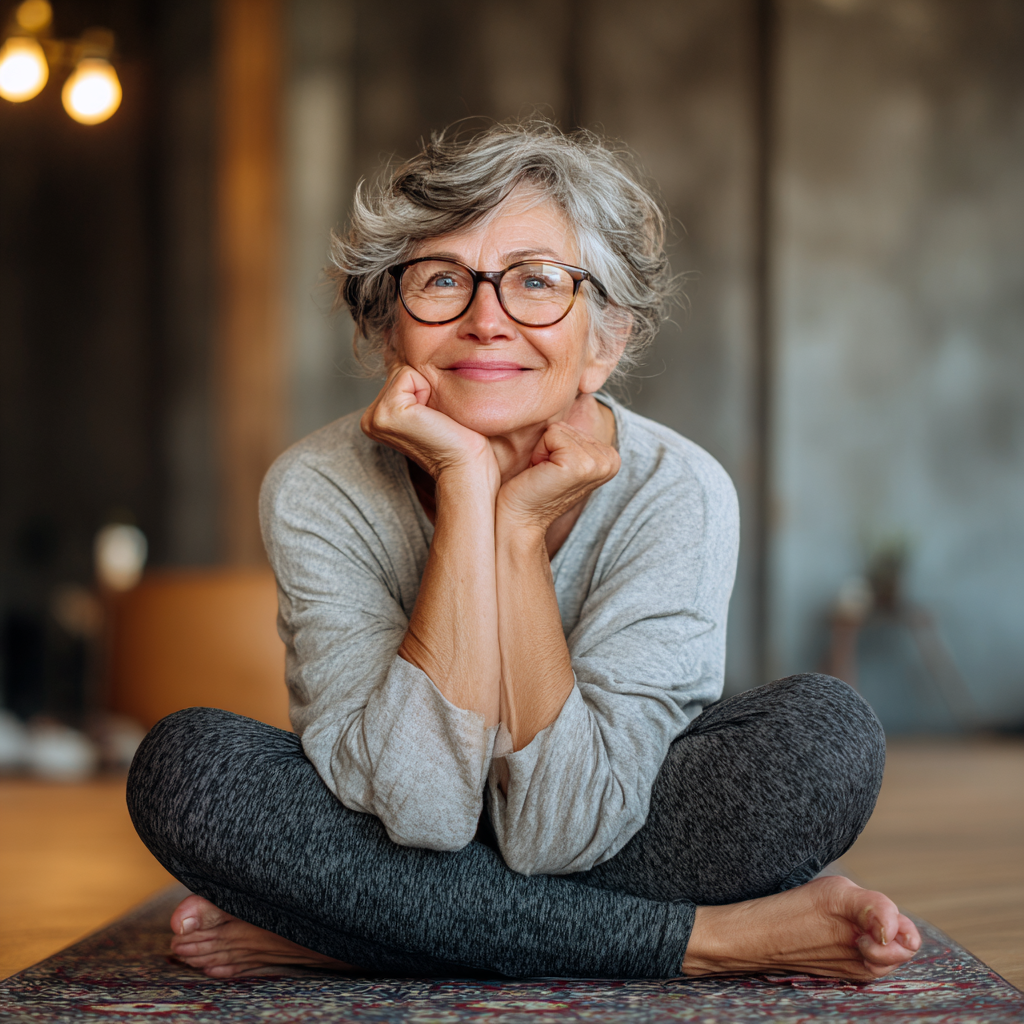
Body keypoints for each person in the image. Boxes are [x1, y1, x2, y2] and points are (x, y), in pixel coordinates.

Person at [127, 122, 921, 981]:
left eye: (537, 282)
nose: (486, 320)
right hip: (388, 820)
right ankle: (706, 941)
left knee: (824, 740)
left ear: (605, 342)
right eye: (442, 281)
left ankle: (337, 933)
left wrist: (515, 535)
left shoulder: (676, 489)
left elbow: (563, 830)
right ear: (391, 330)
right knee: (188, 771)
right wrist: (470, 491)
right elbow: (420, 809)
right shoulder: (319, 486)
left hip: (608, 819)